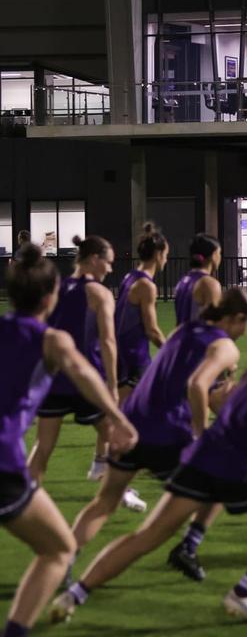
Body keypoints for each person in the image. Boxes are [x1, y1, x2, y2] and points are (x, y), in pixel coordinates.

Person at [51, 318, 247, 626]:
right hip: (243, 471)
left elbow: (232, 424)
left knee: (147, 536)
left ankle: (74, 595)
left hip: (201, 459)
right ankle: (243, 593)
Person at [66, 288, 247, 586]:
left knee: (105, 501)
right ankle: (188, 546)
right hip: (168, 434)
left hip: (131, 424)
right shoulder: (225, 347)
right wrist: (199, 432)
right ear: (236, 318)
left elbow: (187, 382)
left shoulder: (185, 329)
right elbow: (197, 385)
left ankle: (63, 563)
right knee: (224, 474)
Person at [1, 245, 136, 637]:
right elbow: (84, 374)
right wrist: (118, 417)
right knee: (59, 550)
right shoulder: (51, 340)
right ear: (49, 297)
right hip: (4, 463)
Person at [27, 236, 126, 486]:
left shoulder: (55, 288)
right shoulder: (100, 294)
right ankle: (113, 492)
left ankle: (20, 499)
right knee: (116, 434)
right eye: (109, 263)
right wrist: (113, 385)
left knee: (42, 447)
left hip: (54, 377)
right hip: (84, 378)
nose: (111, 269)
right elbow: (108, 342)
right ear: (94, 259)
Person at [115, 223, 169, 402]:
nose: (166, 260)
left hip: (123, 354)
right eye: (166, 255)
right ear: (158, 254)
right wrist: (170, 350)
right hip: (134, 356)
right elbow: (151, 330)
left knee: (126, 417)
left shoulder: (129, 277)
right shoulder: (147, 286)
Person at [174, 234, 222, 326]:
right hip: (199, 340)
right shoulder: (209, 284)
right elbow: (214, 324)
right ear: (214, 255)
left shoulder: (182, 281)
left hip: (182, 339)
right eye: (219, 253)